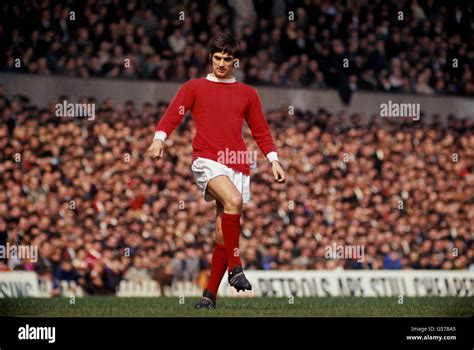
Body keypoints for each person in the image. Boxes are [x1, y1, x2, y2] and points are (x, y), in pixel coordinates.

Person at [148, 33, 286, 309]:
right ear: (211, 58)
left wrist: (273, 159)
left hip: (237, 162)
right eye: (217, 58)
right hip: (207, 159)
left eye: (227, 59)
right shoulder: (195, 86)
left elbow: (260, 129)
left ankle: (208, 296)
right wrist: (159, 137)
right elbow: (175, 112)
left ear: (235, 61)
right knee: (233, 201)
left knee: (222, 235)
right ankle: (236, 269)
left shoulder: (248, 93)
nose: (221, 63)